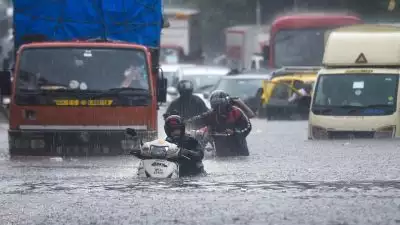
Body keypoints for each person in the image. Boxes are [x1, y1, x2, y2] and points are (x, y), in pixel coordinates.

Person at [186, 90, 252, 157]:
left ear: (226, 104)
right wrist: (183, 125)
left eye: (219, 105)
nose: (217, 108)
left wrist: (234, 132)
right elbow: (196, 121)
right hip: (221, 152)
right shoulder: (211, 114)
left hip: (240, 150)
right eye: (215, 106)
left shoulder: (236, 112)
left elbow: (248, 127)